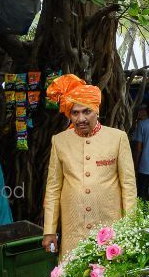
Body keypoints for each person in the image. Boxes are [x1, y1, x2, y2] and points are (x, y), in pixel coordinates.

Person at [42, 74, 137, 260]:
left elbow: (128, 186)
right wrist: (49, 230)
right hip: (73, 228)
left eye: (86, 112)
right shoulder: (59, 141)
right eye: (75, 113)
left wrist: (130, 226)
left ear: (97, 110)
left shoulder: (117, 138)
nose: (80, 119)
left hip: (110, 226)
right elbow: (53, 188)